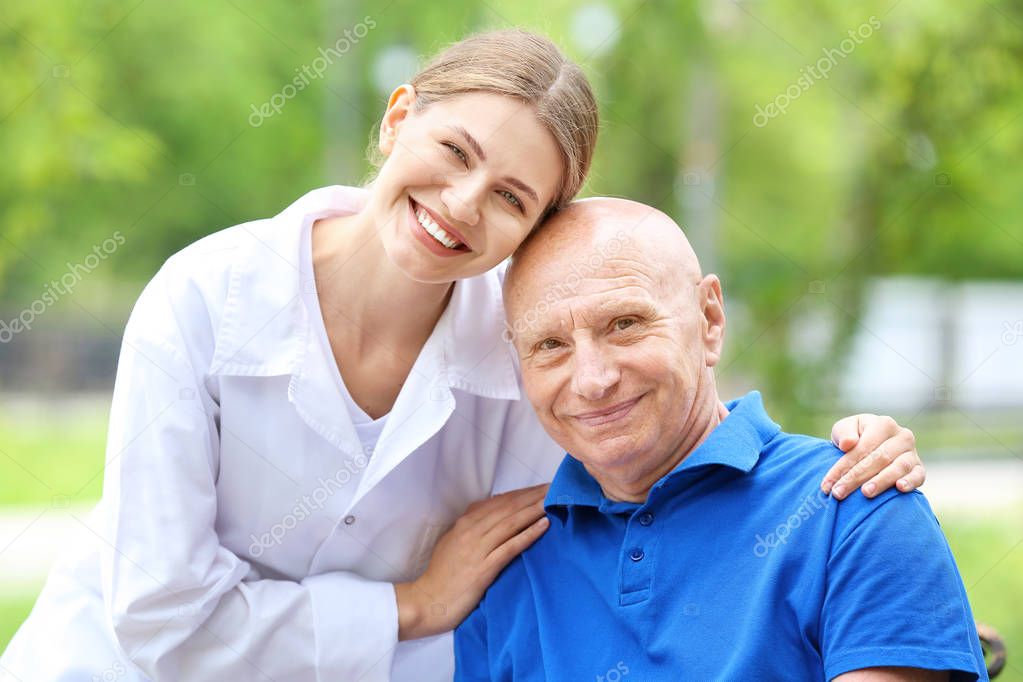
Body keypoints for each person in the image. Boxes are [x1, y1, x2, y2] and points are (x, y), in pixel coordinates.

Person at [2, 31, 924, 682]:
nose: (461, 202)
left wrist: (850, 523)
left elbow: (651, 464)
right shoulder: (202, 299)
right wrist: (412, 604)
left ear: (533, 230)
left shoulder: (529, 353)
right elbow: (163, 617)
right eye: (453, 151)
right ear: (399, 116)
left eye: (512, 197)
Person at [454, 198, 987, 681]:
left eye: (624, 324)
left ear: (709, 319)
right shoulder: (507, 562)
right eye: (549, 343)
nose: (593, 380)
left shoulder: (857, 505)